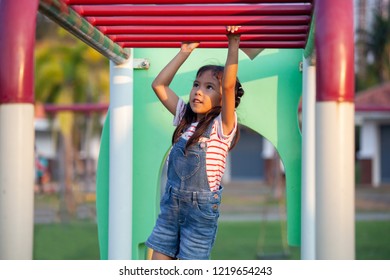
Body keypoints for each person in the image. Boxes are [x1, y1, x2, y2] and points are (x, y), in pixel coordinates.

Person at [146, 26, 245, 260]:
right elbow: (158, 85)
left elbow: (229, 85)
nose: (198, 92)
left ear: (222, 98)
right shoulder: (184, 117)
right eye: (196, 85)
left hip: (199, 215)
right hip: (170, 208)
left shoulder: (223, 125)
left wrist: (233, 44)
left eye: (209, 87)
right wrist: (184, 52)